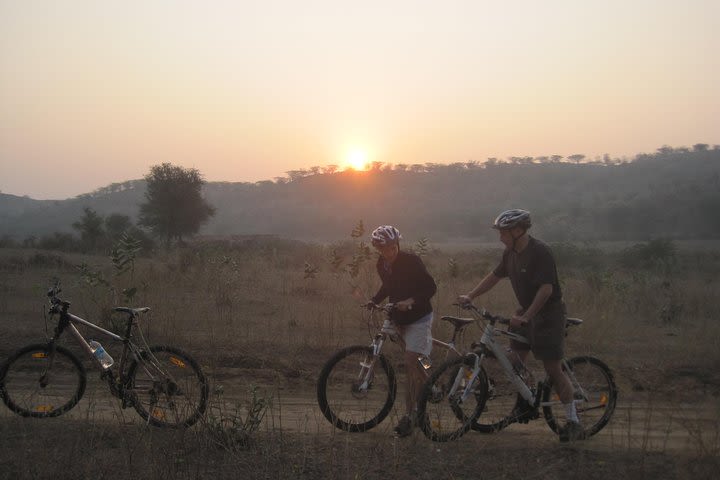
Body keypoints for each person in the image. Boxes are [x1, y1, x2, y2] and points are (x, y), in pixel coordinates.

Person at [458, 209, 585, 442]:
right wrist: (471, 296)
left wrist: (527, 316)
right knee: (515, 361)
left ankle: (573, 421)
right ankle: (525, 403)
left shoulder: (540, 252)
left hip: (548, 314)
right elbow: (494, 277)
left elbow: (546, 289)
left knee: (552, 368)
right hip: (525, 313)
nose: (500, 237)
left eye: (504, 232)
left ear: (518, 231)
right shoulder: (510, 253)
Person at [367, 225, 437, 437]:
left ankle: (410, 416)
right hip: (399, 318)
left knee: (410, 363)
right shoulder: (382, 264)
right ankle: (431, 384)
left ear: (397, 244)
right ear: (378, 249)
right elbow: (388, 287)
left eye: (392, 247)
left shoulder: (412, 261)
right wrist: (374, 300)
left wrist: (411, 301)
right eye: (384, 249)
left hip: (419, 317)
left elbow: (430, 288)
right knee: (417, 360)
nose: (389, 252)